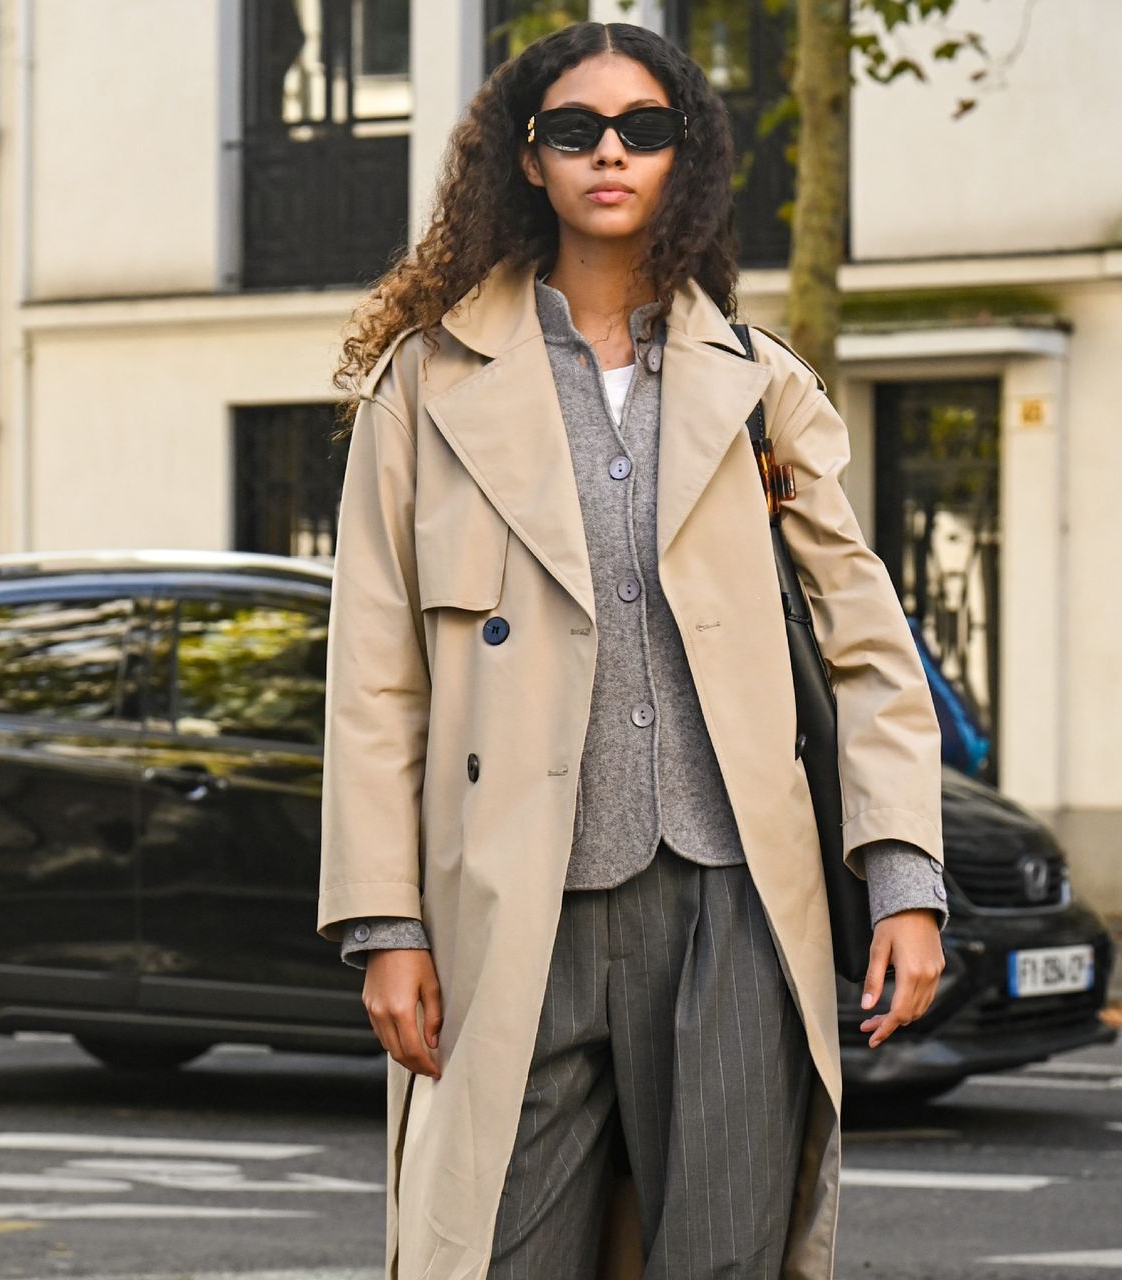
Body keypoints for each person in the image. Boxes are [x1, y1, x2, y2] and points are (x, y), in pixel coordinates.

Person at [317, 21, 946, 1280]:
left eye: (642, 129)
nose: (609, 152)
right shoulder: (424, 385)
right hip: (509, 899)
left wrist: (903, 879)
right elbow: (374, 678)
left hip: (730, 900)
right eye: (574, 129)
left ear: (681, 157)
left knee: (720, 1257)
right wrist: (384, 921)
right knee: (490, 1251)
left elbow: (866, 644)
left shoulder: (759, 386)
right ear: (527, 158)